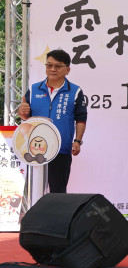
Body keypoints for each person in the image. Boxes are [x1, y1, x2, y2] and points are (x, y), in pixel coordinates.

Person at [17, 49, 88, 193]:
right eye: (49, 65)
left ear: (67, 70)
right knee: (34, 191)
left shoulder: (75, 91)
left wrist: (77, 141)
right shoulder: (34, 89)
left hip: (60, 149)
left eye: (58, 66)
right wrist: (22, 112)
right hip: (34, 149)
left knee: (58, 192)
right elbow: (25, 116)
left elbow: (81, 118)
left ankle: (57, 209)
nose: (52, 69)